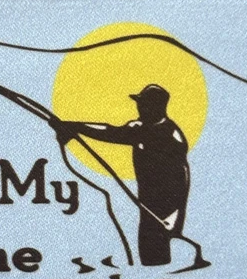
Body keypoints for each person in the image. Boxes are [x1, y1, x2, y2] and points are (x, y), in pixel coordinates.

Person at [51, 84, 208, 269]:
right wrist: (72, 127)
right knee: (150, 256)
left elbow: (181, 178)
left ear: (156, 107)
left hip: (163, 209)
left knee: (156, 257)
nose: (139, 108)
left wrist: (175, 216)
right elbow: (112, 132)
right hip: (148, 204)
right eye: (139, 103)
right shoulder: (142, 128)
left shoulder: (167, 135)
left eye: (144, 104)